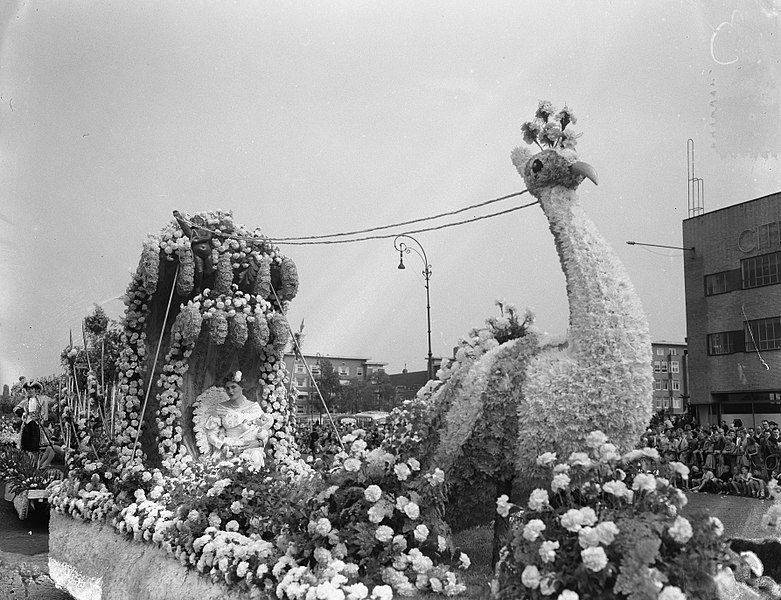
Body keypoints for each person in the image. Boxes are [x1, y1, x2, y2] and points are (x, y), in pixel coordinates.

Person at [204, 372, 274, 467]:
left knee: (254, 459)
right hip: (229, 447)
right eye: (227, 388)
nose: (230, 391)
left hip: (250, 448)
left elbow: (264, 431)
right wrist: (222, 445)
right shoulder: (221, 408)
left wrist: (259, 442)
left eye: (233, 387)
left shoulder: (254, 407)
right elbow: (211, 434)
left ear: (242, 387)